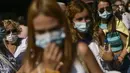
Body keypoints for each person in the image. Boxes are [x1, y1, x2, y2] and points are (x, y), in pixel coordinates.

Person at [17, 0, 74, 73]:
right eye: (41, 32)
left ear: (63, 25)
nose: (49, 36)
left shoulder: (80, 52)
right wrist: (50, 70)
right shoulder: (30, 65)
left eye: (53, 29)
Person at [66, 0, 115, 73]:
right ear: (71, 22)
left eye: (87, 18)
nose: (84, 22)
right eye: (79, 19)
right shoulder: (70, 45)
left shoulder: (97, 36)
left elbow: (109, 63)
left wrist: (110, 60)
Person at [95, 0, 130, 72]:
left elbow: (127, 44)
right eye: (101, 10)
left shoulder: (118, 23)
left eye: (107, 9)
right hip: (106, 64)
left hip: (121, 61)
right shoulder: (96, 26)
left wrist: (120, 58)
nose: (105, 12)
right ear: (97, 11)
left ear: (111, 8)